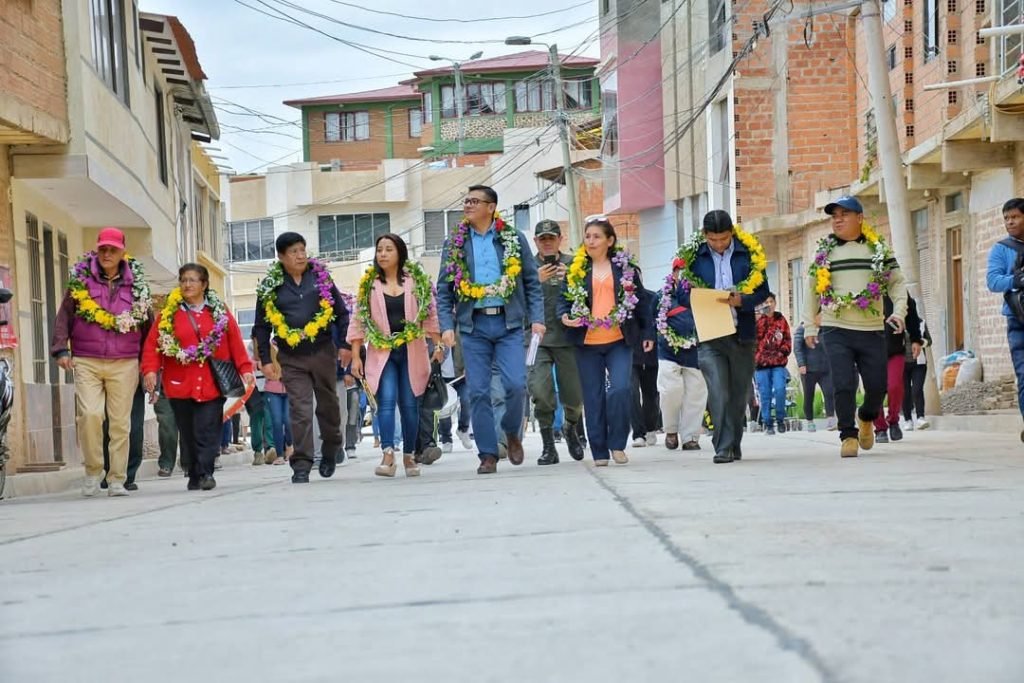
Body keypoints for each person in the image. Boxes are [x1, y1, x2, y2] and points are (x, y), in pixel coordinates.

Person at [436, 185, 544, 475]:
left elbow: (532, 283)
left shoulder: (513, 239)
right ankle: (488, 454)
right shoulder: (455, 243)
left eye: (474, 201)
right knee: (479, 392)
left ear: (491, 207)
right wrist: (447, 326)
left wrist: (537, 318)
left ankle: (510, 431)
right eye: (466, 200)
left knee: (516, 385)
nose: (468, 205)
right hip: (473, 326)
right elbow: (444, 290)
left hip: (509, 324)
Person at [51, 227, 152, 498]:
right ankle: (93, 472)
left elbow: (147, 325)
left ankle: (117, 479)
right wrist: (61, 349)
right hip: (86, 359)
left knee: (120, 422)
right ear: (97, 250)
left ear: (122, 252)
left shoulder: (137, 284)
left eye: (113, 249)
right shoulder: (81, 280)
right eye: (103, 249)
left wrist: (149, 365)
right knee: (90, 416)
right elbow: (64, 315)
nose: (107, 253)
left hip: (125, 361)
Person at [804, 196, 907, 458]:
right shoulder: (825, 252)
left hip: (871, 328)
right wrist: (809, 327)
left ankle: (866, 417)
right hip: (835, 327)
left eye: (844, 214)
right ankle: (847, 435)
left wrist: (899, 312)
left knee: (877, 386)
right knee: (843, 382)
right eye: (834, 215)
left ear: (860, 218)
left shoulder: (878, 249)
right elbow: (811, 290)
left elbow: (897, 283)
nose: (837, 219)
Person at [141, 264, 254, 491]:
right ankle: (193, 471)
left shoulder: (218, 312)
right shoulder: (168, 315)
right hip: (179, 383)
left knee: (208, 428)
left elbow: (234, 342)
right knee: (188, 430)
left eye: (193, 280)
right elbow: (153, 344)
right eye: (183, 280)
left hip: (212, 382)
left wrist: (245, 368)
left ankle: (205, 472)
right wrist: (150, 370)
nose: (187, 284)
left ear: (204, 285)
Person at [252, 232, 351, 484]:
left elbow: (341, 313)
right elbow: (262, 327)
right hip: (291, 357)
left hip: (322, 352)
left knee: (328, 406)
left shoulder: (320, 278)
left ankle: (330, 448)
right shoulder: (271, 285)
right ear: (281, 256)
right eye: (294, 251)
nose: (300, 255)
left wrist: (345, 345)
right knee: (300, 409)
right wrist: (265, 359)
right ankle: (302, 463)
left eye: (302, 249)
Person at [559, 215, 654, 466]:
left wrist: (647, 334)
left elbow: (642, 302)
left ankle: (618, 444)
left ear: (609, 240)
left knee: (621, 390)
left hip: (618, 340)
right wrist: (565, 316)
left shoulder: (625, 269)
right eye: (587, 236)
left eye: (597, 236)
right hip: (587, 343)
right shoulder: (577, 269)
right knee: (593, 397)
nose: (590, 241)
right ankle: (599, 451)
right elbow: (563, 300)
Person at [679, 210, 770, 463]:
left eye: (724, 239)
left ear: (732, 232)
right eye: (713, 240)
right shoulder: (693, 257)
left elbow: (763, 291)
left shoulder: (748, 253)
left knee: (738, 393)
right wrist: (701, 297)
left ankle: (733, 443)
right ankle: (722, 446)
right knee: (718, 390)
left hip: (742, 333)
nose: (719, 245)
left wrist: (743, 300)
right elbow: (681, 294)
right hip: (710, 334)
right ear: (705, 236)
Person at [349, 233, 442, 478]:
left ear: (399, 252)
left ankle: (410, 455)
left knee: (410, 406)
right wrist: (356, 356)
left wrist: (439, 344)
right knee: (386, 402)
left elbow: (430, 315)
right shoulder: (370, 284)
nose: (383, 254)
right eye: (379, 250)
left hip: (412, 351)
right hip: (382, 352)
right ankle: (388, 454)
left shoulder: (416, 281)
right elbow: (358, 321)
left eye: (388, 249)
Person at [527, 219, 584, 465]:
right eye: (542, 239)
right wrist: (533, 281)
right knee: (540, 392)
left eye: (552, 238)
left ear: (560, 239)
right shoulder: (525, 267)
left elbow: (589, 295)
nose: (547, 242)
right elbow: (514, 298)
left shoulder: (575, 264)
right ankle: (548, 446)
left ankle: (571, 427)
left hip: (568, 338)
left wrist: (571, 279)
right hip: (536, 340)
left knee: (574, 395)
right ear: (536, 241)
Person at [654, 270, 708, 451]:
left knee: (696, 394)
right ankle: (670, 429)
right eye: (680, 272)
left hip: (696, 353)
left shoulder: (702, 295)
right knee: (670, 391)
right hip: (668, 352)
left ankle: (690, 437)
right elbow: (650, 320)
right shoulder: (662, 297)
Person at [986, 197, 1024, 441]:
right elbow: (993, 281)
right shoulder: (1002, 249)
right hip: (1018, 322)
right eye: (1006, 218)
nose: (1010, 222)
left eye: (1015, 217)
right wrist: (1016, 280)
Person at [874, 294, 923, 443]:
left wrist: (916, 339)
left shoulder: (896, 289)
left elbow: (911, 312)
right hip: (869, 352)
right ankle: (880, 428)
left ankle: (894, 421)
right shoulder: (862, 289)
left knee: (895, 386)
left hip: (894, 349)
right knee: (874, 390)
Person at [754, 293, 792, 435]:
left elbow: (787, 339)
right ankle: (767, 422)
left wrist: (782, 352)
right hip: (761, 364)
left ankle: (781, 419)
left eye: (771, 301)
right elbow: (754, 339)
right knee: (765, 393)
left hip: (778, 363)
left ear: (775, 303)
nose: (768, 304)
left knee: (780, 389)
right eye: (766, 302)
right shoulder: (758, 320)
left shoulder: (781, 320)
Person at [793, 316, 836, 432]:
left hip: (826, 368)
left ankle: (831, 419)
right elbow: (797, 347)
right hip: (808, 370)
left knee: (829, 393)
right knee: (808, 396)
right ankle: (810, 421)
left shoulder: (826, 328)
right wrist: (801, 364)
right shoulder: (803, 328)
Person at [630, 287, 661, 448]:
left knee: (651, 394)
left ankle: (650, 428)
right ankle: (638, 433)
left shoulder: (652, 297)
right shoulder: (622, 299)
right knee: (632, 392)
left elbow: (659, 322)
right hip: (629, 354)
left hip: (651, 354)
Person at [262, 340, 292, 465]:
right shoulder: (268, 347)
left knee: (288, 420)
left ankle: (290, 446)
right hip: (272, 389)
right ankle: (279, 454)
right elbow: (257, 360)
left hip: (290, 388)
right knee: (276, 421)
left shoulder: (292, 341)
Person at [902, 319, 932, 431]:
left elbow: (929, 341)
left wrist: (920, 341)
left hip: (919, 363)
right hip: (901, 364)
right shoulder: (895, 323)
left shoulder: (921, 323)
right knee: (904, 392)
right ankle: (908, 420)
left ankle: (920, 417)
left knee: (917, 389)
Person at [153, 390, 180, 476]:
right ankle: (166, 463)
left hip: (187, 387)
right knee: (166, 424)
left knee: (187, 425)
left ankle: (188, 463)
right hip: (163, 389)